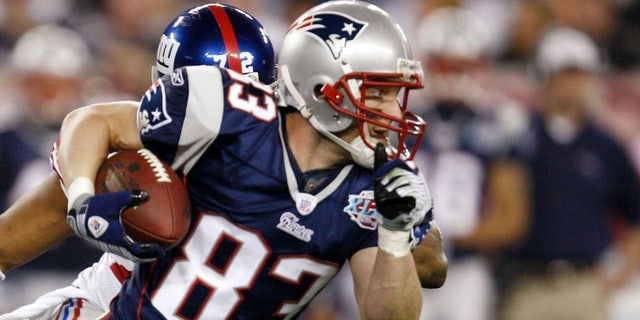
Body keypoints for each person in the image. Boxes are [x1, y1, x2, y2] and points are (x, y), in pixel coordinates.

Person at [1, 1, 446, 319]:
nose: (392, 113)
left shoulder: (373, 187)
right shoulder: (220, 113)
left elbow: (426, 272)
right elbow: (91, 125)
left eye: (394, 95)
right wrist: (81, 198)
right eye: (379, 94)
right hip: (113, 301)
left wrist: (399, 232)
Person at [497, 26, 640, 320]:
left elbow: (636, 215)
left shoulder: (606, 146)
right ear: (544, 76)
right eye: (562, 73)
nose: (570, 84)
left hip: (585, 284)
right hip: (527, 282)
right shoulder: (520, 139)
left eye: (577, 74)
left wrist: (623, 273)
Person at [412, 7, 530, 320]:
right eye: (446, 64)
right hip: (403, 261)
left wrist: (452, 236)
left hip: (465, 266)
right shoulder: (402, 117)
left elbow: (511, 217)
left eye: (463, 65)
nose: (453, 75)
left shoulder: (500, 122)